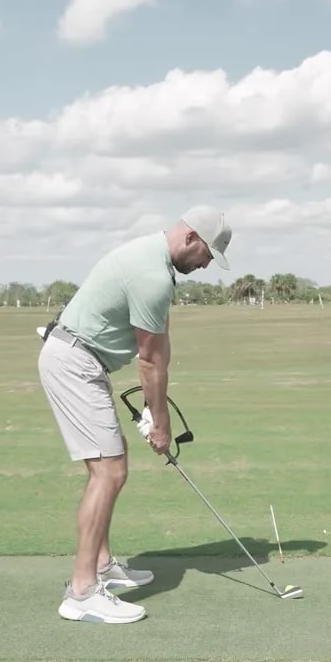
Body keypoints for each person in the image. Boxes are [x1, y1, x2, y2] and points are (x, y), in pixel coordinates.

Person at [38, 206, 233, 624]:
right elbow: (148, 361)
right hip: (75, 362)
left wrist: (153, 407)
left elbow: (160, 346)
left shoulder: (154, 262)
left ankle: (103, 565)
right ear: (191, 238)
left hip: (80, 359)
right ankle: (82, 592)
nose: (205, 265)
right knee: (109, 471)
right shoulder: (153, 275)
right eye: (207, 255)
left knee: (110, 464)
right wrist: (160, 423)